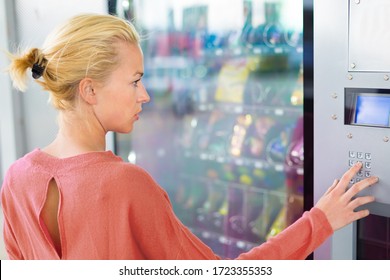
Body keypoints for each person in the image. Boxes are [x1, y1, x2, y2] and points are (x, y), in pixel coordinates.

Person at [1, 13, 378, 260]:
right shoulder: (123, 185)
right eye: (135, 80)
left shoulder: (17, 178)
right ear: (89, 91)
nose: (145, 94)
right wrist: (321, 220)